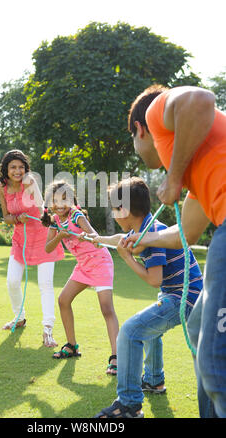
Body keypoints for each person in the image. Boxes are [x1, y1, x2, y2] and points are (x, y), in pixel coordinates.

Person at [125, 84, 226, 418]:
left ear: (140, 130)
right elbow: (185, 234)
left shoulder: (154, 113)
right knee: (199, 330)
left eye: (132, 140)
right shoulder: (205, 168)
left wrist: (174, 176)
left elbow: (200, 100)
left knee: (215, 358)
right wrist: (145, 239)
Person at [93, 177, 203, 418]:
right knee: (148, 328)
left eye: (114, 209)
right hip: (181, 294)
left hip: (185, 298)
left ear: (124, 210)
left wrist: (127, 259)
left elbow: (154, 279)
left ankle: (129, 405)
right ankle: (154, 380)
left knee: (131, 331)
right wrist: (96, 239)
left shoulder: (151, 235)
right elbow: (120, 241)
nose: (113, 215)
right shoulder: (144, 228)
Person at [41, 180, 119, 375]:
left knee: (106, 309)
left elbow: (95, 236)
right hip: (83, 266)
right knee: (63, 300)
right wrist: (60, 235)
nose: (60, 205)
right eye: (55, 200)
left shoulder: (76, 215)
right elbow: (48, 248)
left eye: (64, 200)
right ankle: (72, 345)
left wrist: (85, 235)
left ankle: (116, 357)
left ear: (72, 201)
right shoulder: (55, 221)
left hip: (99, 262)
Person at [0, 150, 64, 347]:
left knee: (45, 284)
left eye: (21, 167)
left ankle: (48, 330)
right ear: (6, 170)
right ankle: (19, 317)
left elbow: (41, 205)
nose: (17, 171)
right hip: (21, 239)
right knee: (11, 281)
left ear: (26, 169)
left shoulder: (29, 182)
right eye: (13, 167)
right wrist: (18, 218)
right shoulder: (2, 187)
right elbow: (6, 217)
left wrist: (31, 188)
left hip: (43, 237)